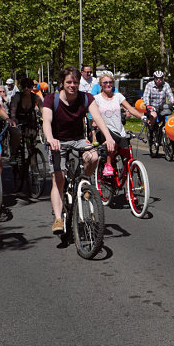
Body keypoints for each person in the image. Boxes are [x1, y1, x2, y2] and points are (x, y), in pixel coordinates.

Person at [42, 66, 115, 235]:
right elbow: (46, 121)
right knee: (58, 179)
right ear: (62, 83)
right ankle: (58, 218)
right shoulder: (51, 99)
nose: (72, 85)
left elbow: (97, 117)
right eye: (69, 82)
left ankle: (83, 184)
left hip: (79, 139)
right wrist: (51, 139)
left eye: (75, 82)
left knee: (94, 157)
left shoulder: (86, 98)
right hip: (57, 141)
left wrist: (108, 137)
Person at [91, 72, 144, 175]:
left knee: (127, 155)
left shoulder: (118, 96)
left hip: (119, 130)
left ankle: (127, 179)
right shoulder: (96, 99)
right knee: (112, 143)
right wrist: (94, 124)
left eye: (110, 82)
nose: (108, 84)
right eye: (105, 82)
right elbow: (94, 114)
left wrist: (143, 117)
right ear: (101, 84)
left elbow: (130, 109)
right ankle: (108, 164)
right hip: (104, 131)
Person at [9, 77, 43, 158]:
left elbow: (43, 109)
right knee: (17, 134)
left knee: (32, 138)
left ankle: (32, 159)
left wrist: (45, 118)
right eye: (24, 87)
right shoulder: (17, 96)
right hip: (18, 119)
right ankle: (13, 155)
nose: (26, 89)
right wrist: (13, 118)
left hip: (30, 120)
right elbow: (13, 108)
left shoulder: (35, 97)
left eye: (29, 87)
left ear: (32, 88)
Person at [142, 70, 174, 143]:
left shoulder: (166, 85)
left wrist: (173, 103)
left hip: (161, 107)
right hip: (151, 107)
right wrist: (147, 105)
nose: (158, 80)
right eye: (157, 78)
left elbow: (170, 94)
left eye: (160, 78)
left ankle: (163, 133)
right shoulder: (149, 85)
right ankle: (151, 132)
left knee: (168, 117)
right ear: (154, 78)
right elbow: (146, 96)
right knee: (153, 116)